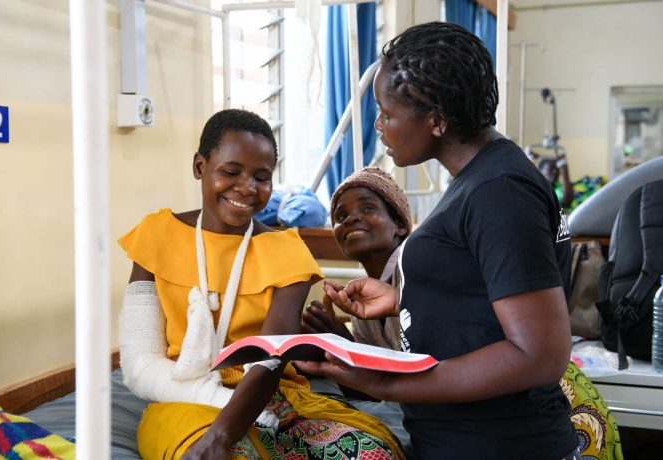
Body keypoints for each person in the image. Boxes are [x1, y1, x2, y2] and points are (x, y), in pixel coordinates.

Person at [295, 22, 582, 459]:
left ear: (436, 119)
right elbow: (484, 293)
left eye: (387, 113)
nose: (378, 125)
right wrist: (402, 298)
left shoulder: (498, 190)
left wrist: (388, 382)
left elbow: (539, 354)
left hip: (501, 447)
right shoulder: (480, 180)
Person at [117, 109, 404, 460]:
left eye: (262, 177)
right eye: (231, 171)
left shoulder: (286, 251)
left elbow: (269, 360)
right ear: (200, 166)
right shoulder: (155, 236)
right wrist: (215, 420)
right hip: (180, 397)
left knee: (373, 454)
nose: (247, 188)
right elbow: (140, 364)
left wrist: (222, 436)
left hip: (273, 397)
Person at [301, 166, 413, 456]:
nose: (350, 218)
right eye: (339, 216)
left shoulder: (414, 266)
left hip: (428, 405)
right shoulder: (361, 295)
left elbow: (411, 383)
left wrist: (343, 342)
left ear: (400, 225)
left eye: (368, 208)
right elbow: (366, 388)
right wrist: (323, 345)